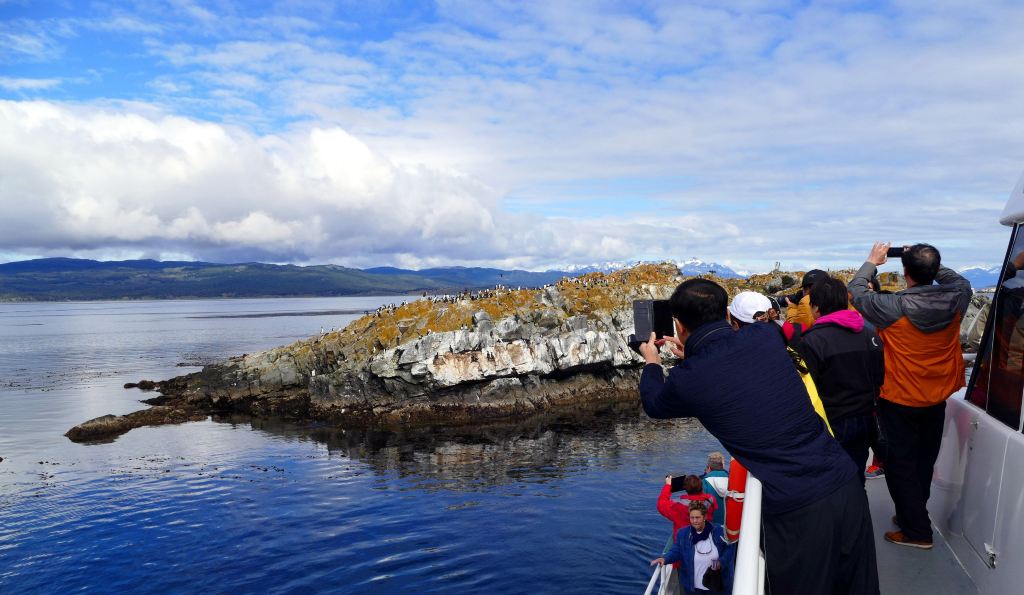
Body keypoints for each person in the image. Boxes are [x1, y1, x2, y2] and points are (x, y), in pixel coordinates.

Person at [640, 279, 878, 594]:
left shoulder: (688, 380)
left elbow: (655, 403)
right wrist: (694, 355)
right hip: (845, 482)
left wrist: (652, 362)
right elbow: (741, 362)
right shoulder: (766, 334)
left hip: (798, 510)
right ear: (726, 314)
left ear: (679, 326)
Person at [849, 242, 972, 549]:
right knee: (923, 461)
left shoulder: (892, 307)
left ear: (905, 273)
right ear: (934, 270)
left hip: (899, 398)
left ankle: (917, 532)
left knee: (900, 465)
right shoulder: (957, 299)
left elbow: (856, 289)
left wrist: (872, 261)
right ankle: (911, 515)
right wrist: (924, 262)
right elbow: (958, 280)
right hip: (936, 396)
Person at [800, 277, 885, 484]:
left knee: (831, 479)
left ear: (817, 307)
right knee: (856, 476)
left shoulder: (812, 340)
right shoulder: (869, 335)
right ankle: (859, 514)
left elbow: (808, 390)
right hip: (866, 418)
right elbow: (879, 377)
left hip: (832, 421)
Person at [651, 500, 736, 594]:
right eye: (692, 518)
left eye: (698, 517)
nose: (695, 521)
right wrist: (665, 559)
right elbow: (676, 551)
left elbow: (730, 548)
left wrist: (720, 562)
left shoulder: (719, 531)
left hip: (716, 587)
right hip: (693, 589)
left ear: (705, 517)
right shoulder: (683, 534)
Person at [658, 474, 719, 541]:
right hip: (704, 538)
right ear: (701, 487)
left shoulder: (677, 505)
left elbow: (661, 504)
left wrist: (668, 486)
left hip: (683, 541)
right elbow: (714, 507)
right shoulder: (710, 500)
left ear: (685, 488)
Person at [702, 452, 729, 526]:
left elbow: (702, 503)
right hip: (728, 523)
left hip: (711, 522)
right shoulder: (731, 479)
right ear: (722, 466)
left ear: (709, 468)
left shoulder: (705, 481)